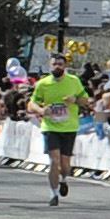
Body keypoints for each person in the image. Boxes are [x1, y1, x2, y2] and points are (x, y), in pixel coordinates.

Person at [30, 57, 83, 204]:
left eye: (60, 64)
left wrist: (75, 100)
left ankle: (64, 179)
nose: (57, 67)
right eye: (54, 64)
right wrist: (41, 110)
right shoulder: (43, 84)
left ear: (65, 66)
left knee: (65, 164)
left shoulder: (74, 81)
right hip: (50, 126)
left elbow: (85, 100)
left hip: (69, 127)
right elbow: (32, 103)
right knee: (54, 160)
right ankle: (54, 194)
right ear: (50, 65)